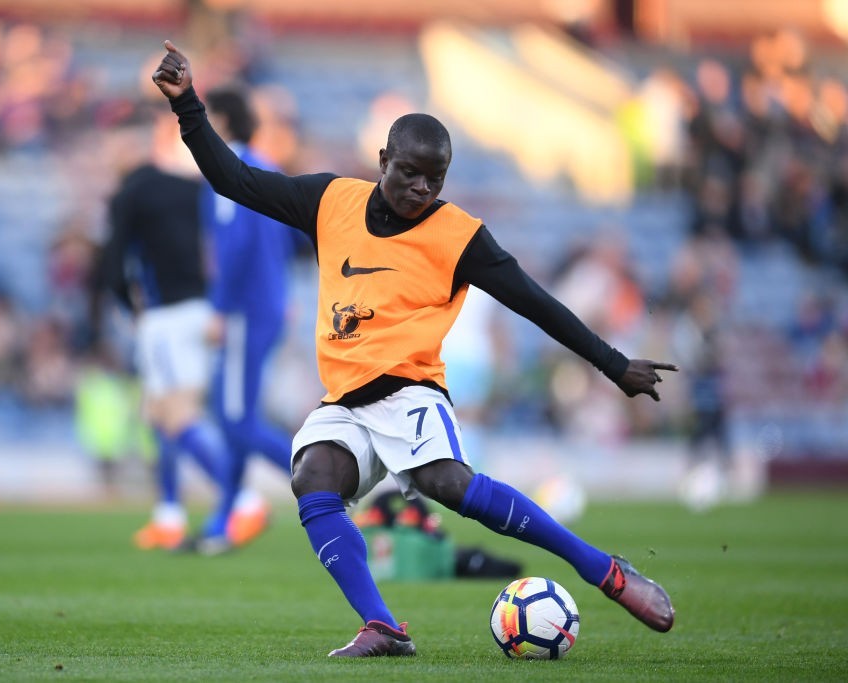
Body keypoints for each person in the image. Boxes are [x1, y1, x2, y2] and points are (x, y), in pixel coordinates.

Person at [152, 41, 678, 657]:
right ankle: (383, 626)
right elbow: (234, 179)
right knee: (312, 477)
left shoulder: (460, 237)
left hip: (407, 389)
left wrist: (615, 365)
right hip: (345, 398)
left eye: (436, 178)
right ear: (382, 160)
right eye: (410, 173)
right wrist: (188, 104)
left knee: (448, 484)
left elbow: (536, 302)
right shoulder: (331, 201)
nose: (422, 188)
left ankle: (602, 570)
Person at [97, 124, 231, 552]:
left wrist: (128, 307)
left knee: (174, 416)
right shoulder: (191, 188)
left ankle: (238, 497)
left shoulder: (128, 195)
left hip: (164, 315)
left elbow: (113, 263)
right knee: (160, 413)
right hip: (201, 309)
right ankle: (169, 514)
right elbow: (219, 243)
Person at [201, 84, 301, 546]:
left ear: (219, 122)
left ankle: (322, 487)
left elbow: (236, 245)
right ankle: (226, 515)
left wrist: (220, 308)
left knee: (237, 419)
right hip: (270, 304)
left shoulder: (228, 170)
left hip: (244, 310)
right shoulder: (269, 165)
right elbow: (291, 237)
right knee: (235, 413)